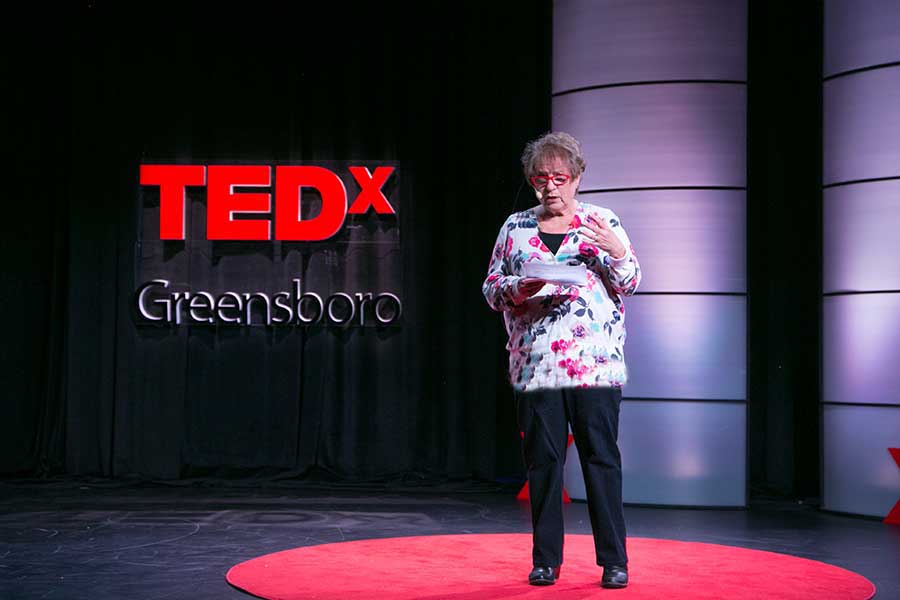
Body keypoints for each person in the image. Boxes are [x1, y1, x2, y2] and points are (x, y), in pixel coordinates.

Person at [482, 131, 641, 588]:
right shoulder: (515, 228)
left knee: (601, 459)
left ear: (576, 178)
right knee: (544, 464)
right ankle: (546, 560)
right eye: (540, 179)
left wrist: (615, 249)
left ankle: (614, 561)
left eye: (559, 177)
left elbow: (631, 282)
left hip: (594, 364)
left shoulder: (601, 221)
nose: (549, 186)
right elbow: (491, 287)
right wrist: (517, 287)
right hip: (535, 365)